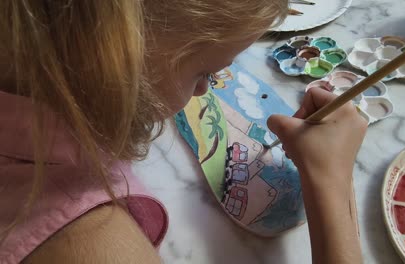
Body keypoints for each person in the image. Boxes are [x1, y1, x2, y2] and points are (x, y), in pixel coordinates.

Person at [0, 0, 366, 263]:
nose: (209, 88)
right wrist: (332, 182)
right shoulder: (88, 244)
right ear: (109, 57)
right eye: (205, 73)